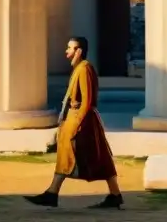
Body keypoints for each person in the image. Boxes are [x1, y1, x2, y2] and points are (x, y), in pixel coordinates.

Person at [24, 36, 123, 210]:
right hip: (77, 118)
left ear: (79, 51)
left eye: (70, 48)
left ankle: (53, 194)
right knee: (79, 156)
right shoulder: (79, 69)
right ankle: (53, 193)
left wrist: (77, 124)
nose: (66, 51)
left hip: (81, 120)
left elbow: (87, 100)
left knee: (95, 158)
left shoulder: (84, 69)